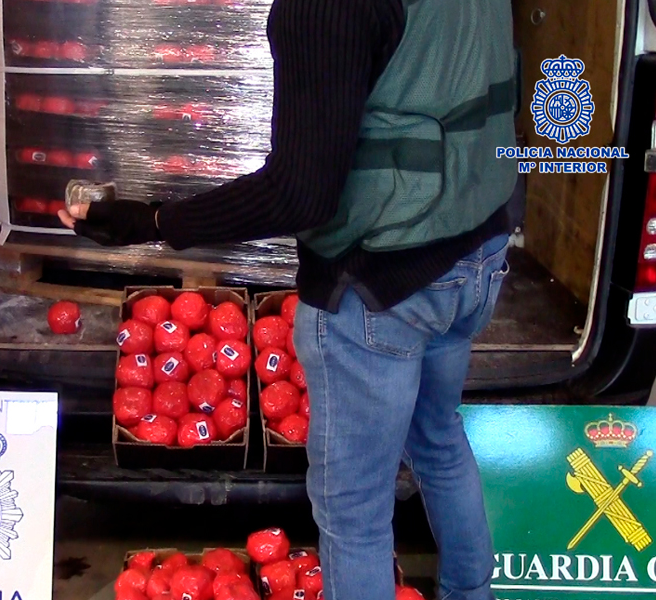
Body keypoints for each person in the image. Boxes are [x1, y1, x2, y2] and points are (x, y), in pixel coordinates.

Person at [60, 0, 517, 598]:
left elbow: (301, 196)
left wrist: (150, 220)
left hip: (384, 282)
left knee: (354, 509)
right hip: (476, 249)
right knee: (437, 438)